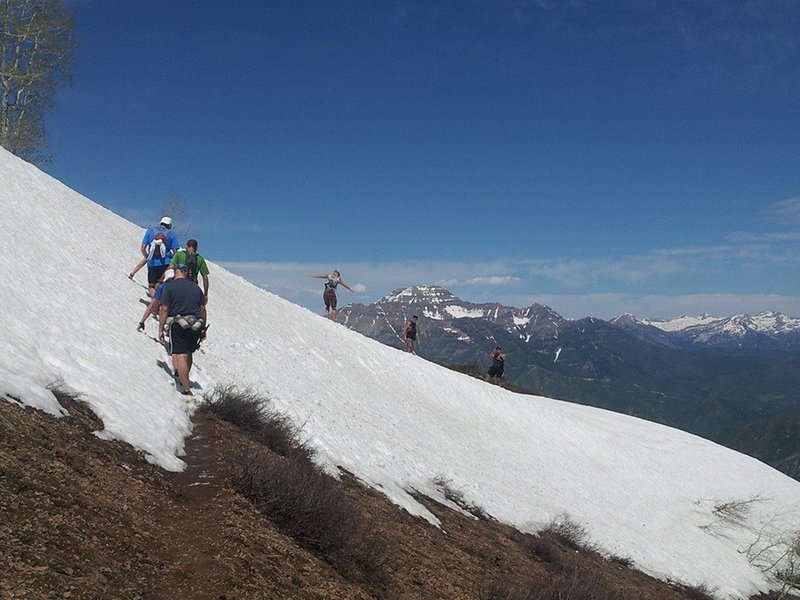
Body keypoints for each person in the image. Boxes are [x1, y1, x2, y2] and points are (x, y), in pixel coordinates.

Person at [158, 264, 205, 396]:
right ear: (186, 272)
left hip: (178, 323)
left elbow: (164, 309)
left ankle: (186, 389)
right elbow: (202, 309)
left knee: (180, 354)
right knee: (189, 352)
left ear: (175, 272)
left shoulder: (170, 287)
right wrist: (203, 328)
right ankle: (186, 379)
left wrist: (161, 329)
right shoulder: (196, 288)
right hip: (196, 323)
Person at [170, 238, 209, 320]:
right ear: (196, 247)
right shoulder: (200, 259)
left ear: (187, 246)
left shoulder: (179, 254)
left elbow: (171, 267)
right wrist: (205, 294)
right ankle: (202, 329)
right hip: (193, 286)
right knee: (201, 307)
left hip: (178, 284)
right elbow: (205, 278)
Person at [140, 217, 180, 296]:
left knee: (151, 285)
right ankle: (161, 301)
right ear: (169, 225)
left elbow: (143, 247)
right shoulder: (172, 233)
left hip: (152, 263)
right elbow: (175, 252)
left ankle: (155, 299)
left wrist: (148, 257)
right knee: (163, 284)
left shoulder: (150, 231)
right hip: (166, 263)